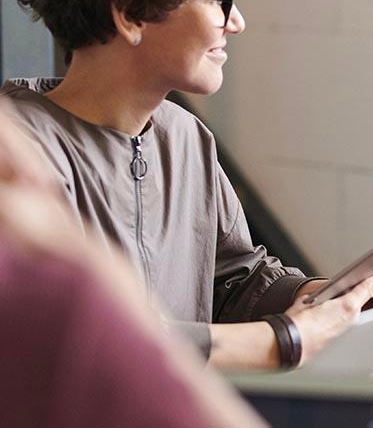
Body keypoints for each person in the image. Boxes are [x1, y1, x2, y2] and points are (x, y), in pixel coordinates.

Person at [1, 0, 373, 370]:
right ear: (131, 10)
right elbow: (88, 342)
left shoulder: (185, 137)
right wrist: (288, 339)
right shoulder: (18, 153)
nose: (237, 22)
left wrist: (333, 296)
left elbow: (232, 281)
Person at [0, 103, 264, 427]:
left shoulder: (187, 133)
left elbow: (237, 269)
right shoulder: (57, 289)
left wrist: (309, 292)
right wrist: (282, 341)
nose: (224, 49)